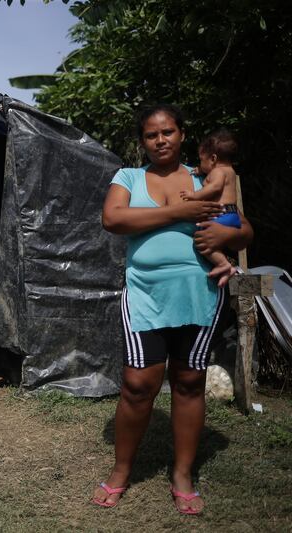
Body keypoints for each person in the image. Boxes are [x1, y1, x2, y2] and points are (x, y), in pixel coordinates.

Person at [92, 104, 253, 514]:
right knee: (137, 384)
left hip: (199, 294)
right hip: (144, 293)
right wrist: (179, 212)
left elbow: (243, 230)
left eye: (167, 132)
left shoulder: (207, 177)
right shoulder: (128, 177)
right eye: (151, 134)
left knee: (189, 381)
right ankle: (121, 471)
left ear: (182, 134)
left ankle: (182, 475)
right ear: (143, 141)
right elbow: (112, 219)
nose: (160, 140)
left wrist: (226, 235)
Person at [179, 129, 241, 287]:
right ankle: (231, 272)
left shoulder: (218, 172)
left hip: (219, 214)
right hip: (231, 214)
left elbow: (214, 187)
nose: (200, 164)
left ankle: (223, 264)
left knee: (201, 240)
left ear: (213, 158)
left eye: (201, 160)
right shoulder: (229, 171)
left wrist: (194, 195)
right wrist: (202, 170)